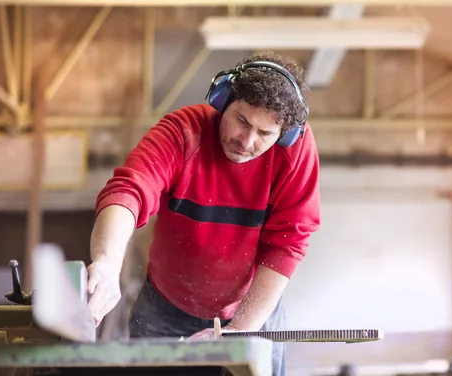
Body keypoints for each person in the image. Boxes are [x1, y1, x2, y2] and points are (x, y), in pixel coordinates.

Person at [85, 51, 321, 376]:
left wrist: (242, 329)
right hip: (166, 306)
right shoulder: (183, 132)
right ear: (223, 99)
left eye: (265, 134)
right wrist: (108, 265)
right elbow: (129, 191)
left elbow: (288, 244)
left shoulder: (297, 153)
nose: (247, 141)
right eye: (242, 120)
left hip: (251, 309)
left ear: (286, 135)